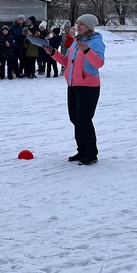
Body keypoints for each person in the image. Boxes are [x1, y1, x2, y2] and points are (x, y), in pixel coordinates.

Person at [44, 14, 105, 166]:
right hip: (73, 84)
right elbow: (66, 61)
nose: (78, 26)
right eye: (77, 23)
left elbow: (99, 63)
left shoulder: (96, 42)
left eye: (82, 24)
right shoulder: (77, 42)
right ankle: (82, 151)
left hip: (88, 86)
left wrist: (86, 51)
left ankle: (91, 154)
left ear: (90, 26)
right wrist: (53, 53)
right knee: (75, 119)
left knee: (84, 119)